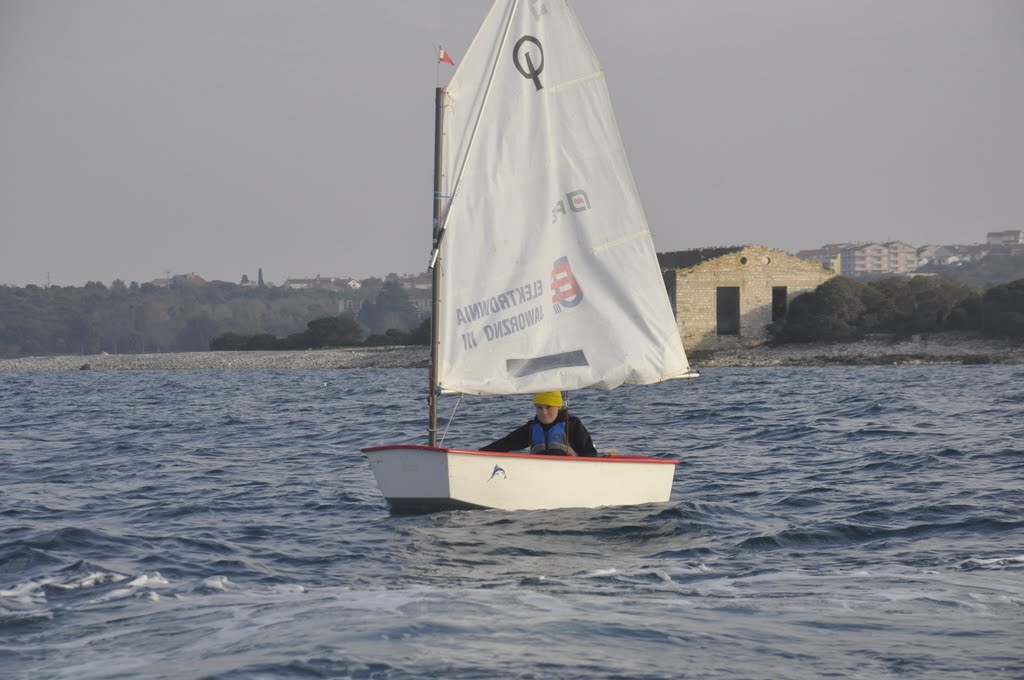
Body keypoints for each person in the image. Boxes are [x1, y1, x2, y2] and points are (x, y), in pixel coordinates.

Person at [480, 391, 599, 457]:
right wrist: (479, 454)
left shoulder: (572, 424)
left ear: (558, 407)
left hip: (569, 475)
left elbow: (590, 453)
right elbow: (505, 443)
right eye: (539, 408)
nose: (544, 412)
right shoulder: (532, 427)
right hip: (540, 477)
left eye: (548, 407)